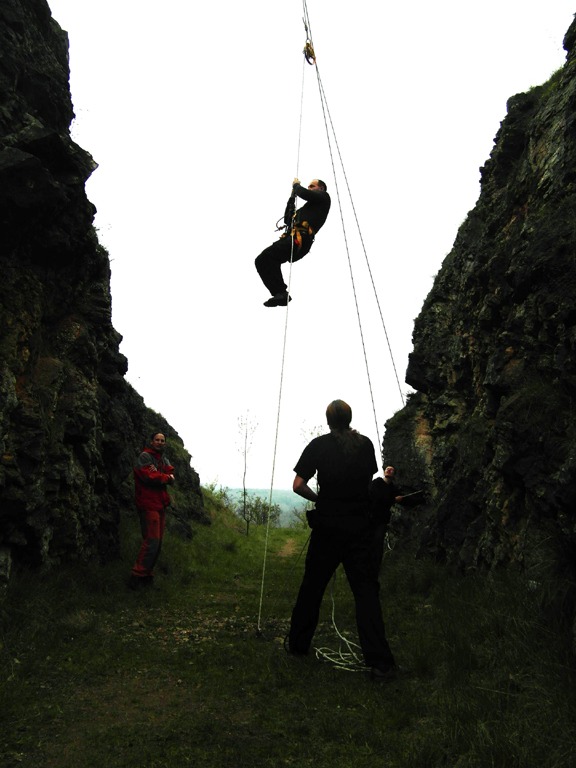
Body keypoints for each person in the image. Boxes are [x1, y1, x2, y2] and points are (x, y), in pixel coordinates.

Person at [287, 400, 398, 680]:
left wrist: (320, 499)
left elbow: (298, 485)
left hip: (327, 526)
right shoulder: (366, 444)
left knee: (312, 588)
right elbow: (368, 480)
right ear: (350, 419)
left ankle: (298, 646)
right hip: (359, 527)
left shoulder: (319, 445)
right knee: (366, 592)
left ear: (328, 421)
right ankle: (380, 662)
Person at [255, 178, 331, 307]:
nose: (309, 188)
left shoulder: (324, 197)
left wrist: (296, 186)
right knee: (262, 260)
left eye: (312, 186)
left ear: (321, 188)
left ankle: (281, 293)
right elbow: (287, 220)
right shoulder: (306, 210)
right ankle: (279, 293)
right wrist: (291, 198)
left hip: (300, 239)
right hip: (292, 239)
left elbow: (305, 194)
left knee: (267, 257)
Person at [129, 432, 175, 589]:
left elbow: (170, 470)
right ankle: (136, 577)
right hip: (148, 504)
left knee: (157, 543)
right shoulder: (145, 457)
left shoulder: (161, 458)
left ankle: (147, 576)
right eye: (157, 440)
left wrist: (166, 476)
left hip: (160, 504)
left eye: (162, 440)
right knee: (152, 541)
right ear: (151, 441)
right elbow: (150, 476)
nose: (160, 442)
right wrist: (166, 478)